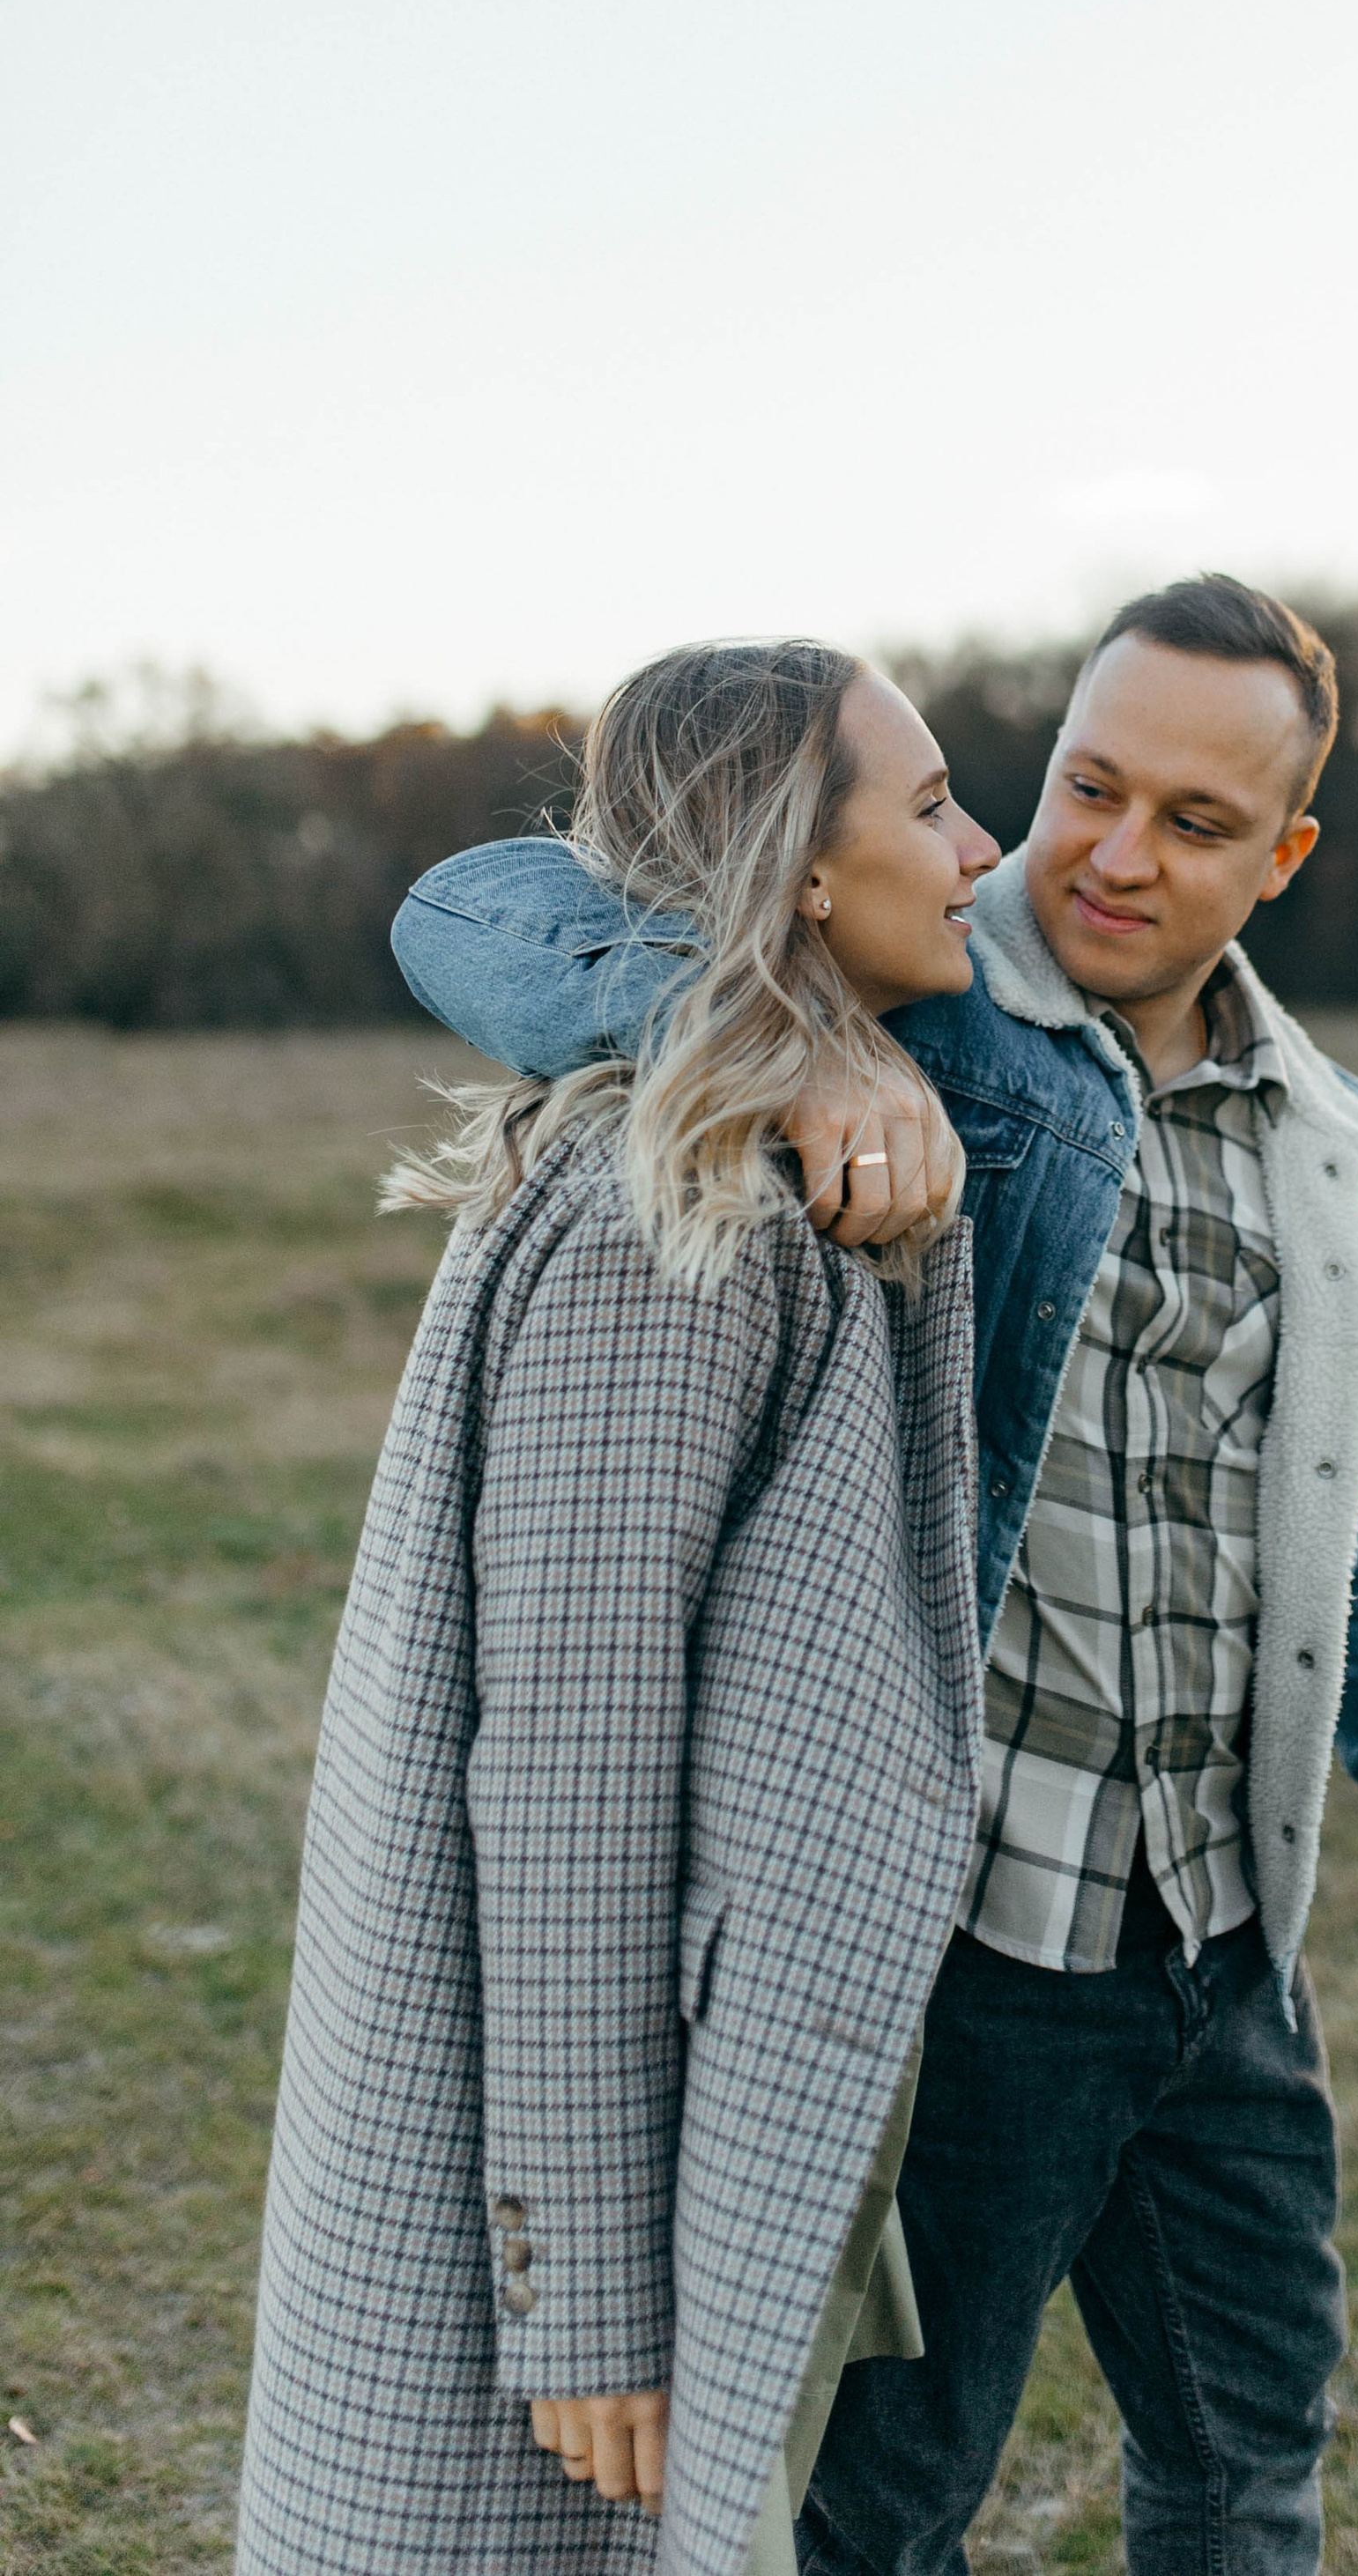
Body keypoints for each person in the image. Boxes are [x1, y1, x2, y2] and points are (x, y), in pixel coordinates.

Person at [392, 576, 1358, 2576]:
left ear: (1283, 856)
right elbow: (462, 913)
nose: (1105, 852)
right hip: (972, 1946)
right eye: (1085, 783)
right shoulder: (915, 1001)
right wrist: (761, 1032)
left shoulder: (1331, 1139)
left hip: (1221, 1937)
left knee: (1250, 2460)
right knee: (885, 2504)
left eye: (1192, 821)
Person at [235, 639, 1002, 2576]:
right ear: (799, 873)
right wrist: (573, 2286)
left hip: (717, 2070)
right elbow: (565, 1781)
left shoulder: (766, 1156)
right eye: (927, 805)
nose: (978, 844)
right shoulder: (679, 1221)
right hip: (587, 2164)